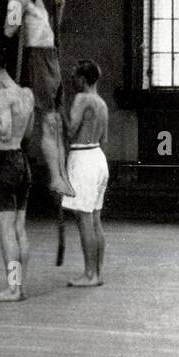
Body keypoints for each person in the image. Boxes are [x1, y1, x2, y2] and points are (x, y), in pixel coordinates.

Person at [3, 0, 72, 197]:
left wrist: (59, 6)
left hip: (50, 56)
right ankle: (55, 177)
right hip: (36, 58)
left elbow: (50, 30)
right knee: (49, 121)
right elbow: (9, 30)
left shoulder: (40, 0)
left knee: (56, 121)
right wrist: (21, 6)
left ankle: (61, 175)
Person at [0, 66, 35, 302]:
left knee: (6, 230)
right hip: (22, 161)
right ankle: (19, 286)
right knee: (19, 228)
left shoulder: (2, 96)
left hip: (5, 162)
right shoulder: (27, 94)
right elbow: (28, 132)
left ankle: (13, 288)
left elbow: (3, 132)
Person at [60, 61, 109, 288]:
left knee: (84, 219)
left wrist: (60, 114)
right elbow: (104, 140)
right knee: (95, 219)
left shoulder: (81, 100)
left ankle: (89, 274)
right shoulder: (102, 104)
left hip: (83, 158)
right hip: (98, 158)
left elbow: (70, 131)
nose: (72, 81)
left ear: (83, 79)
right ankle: (97, 273)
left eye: (74, 76)